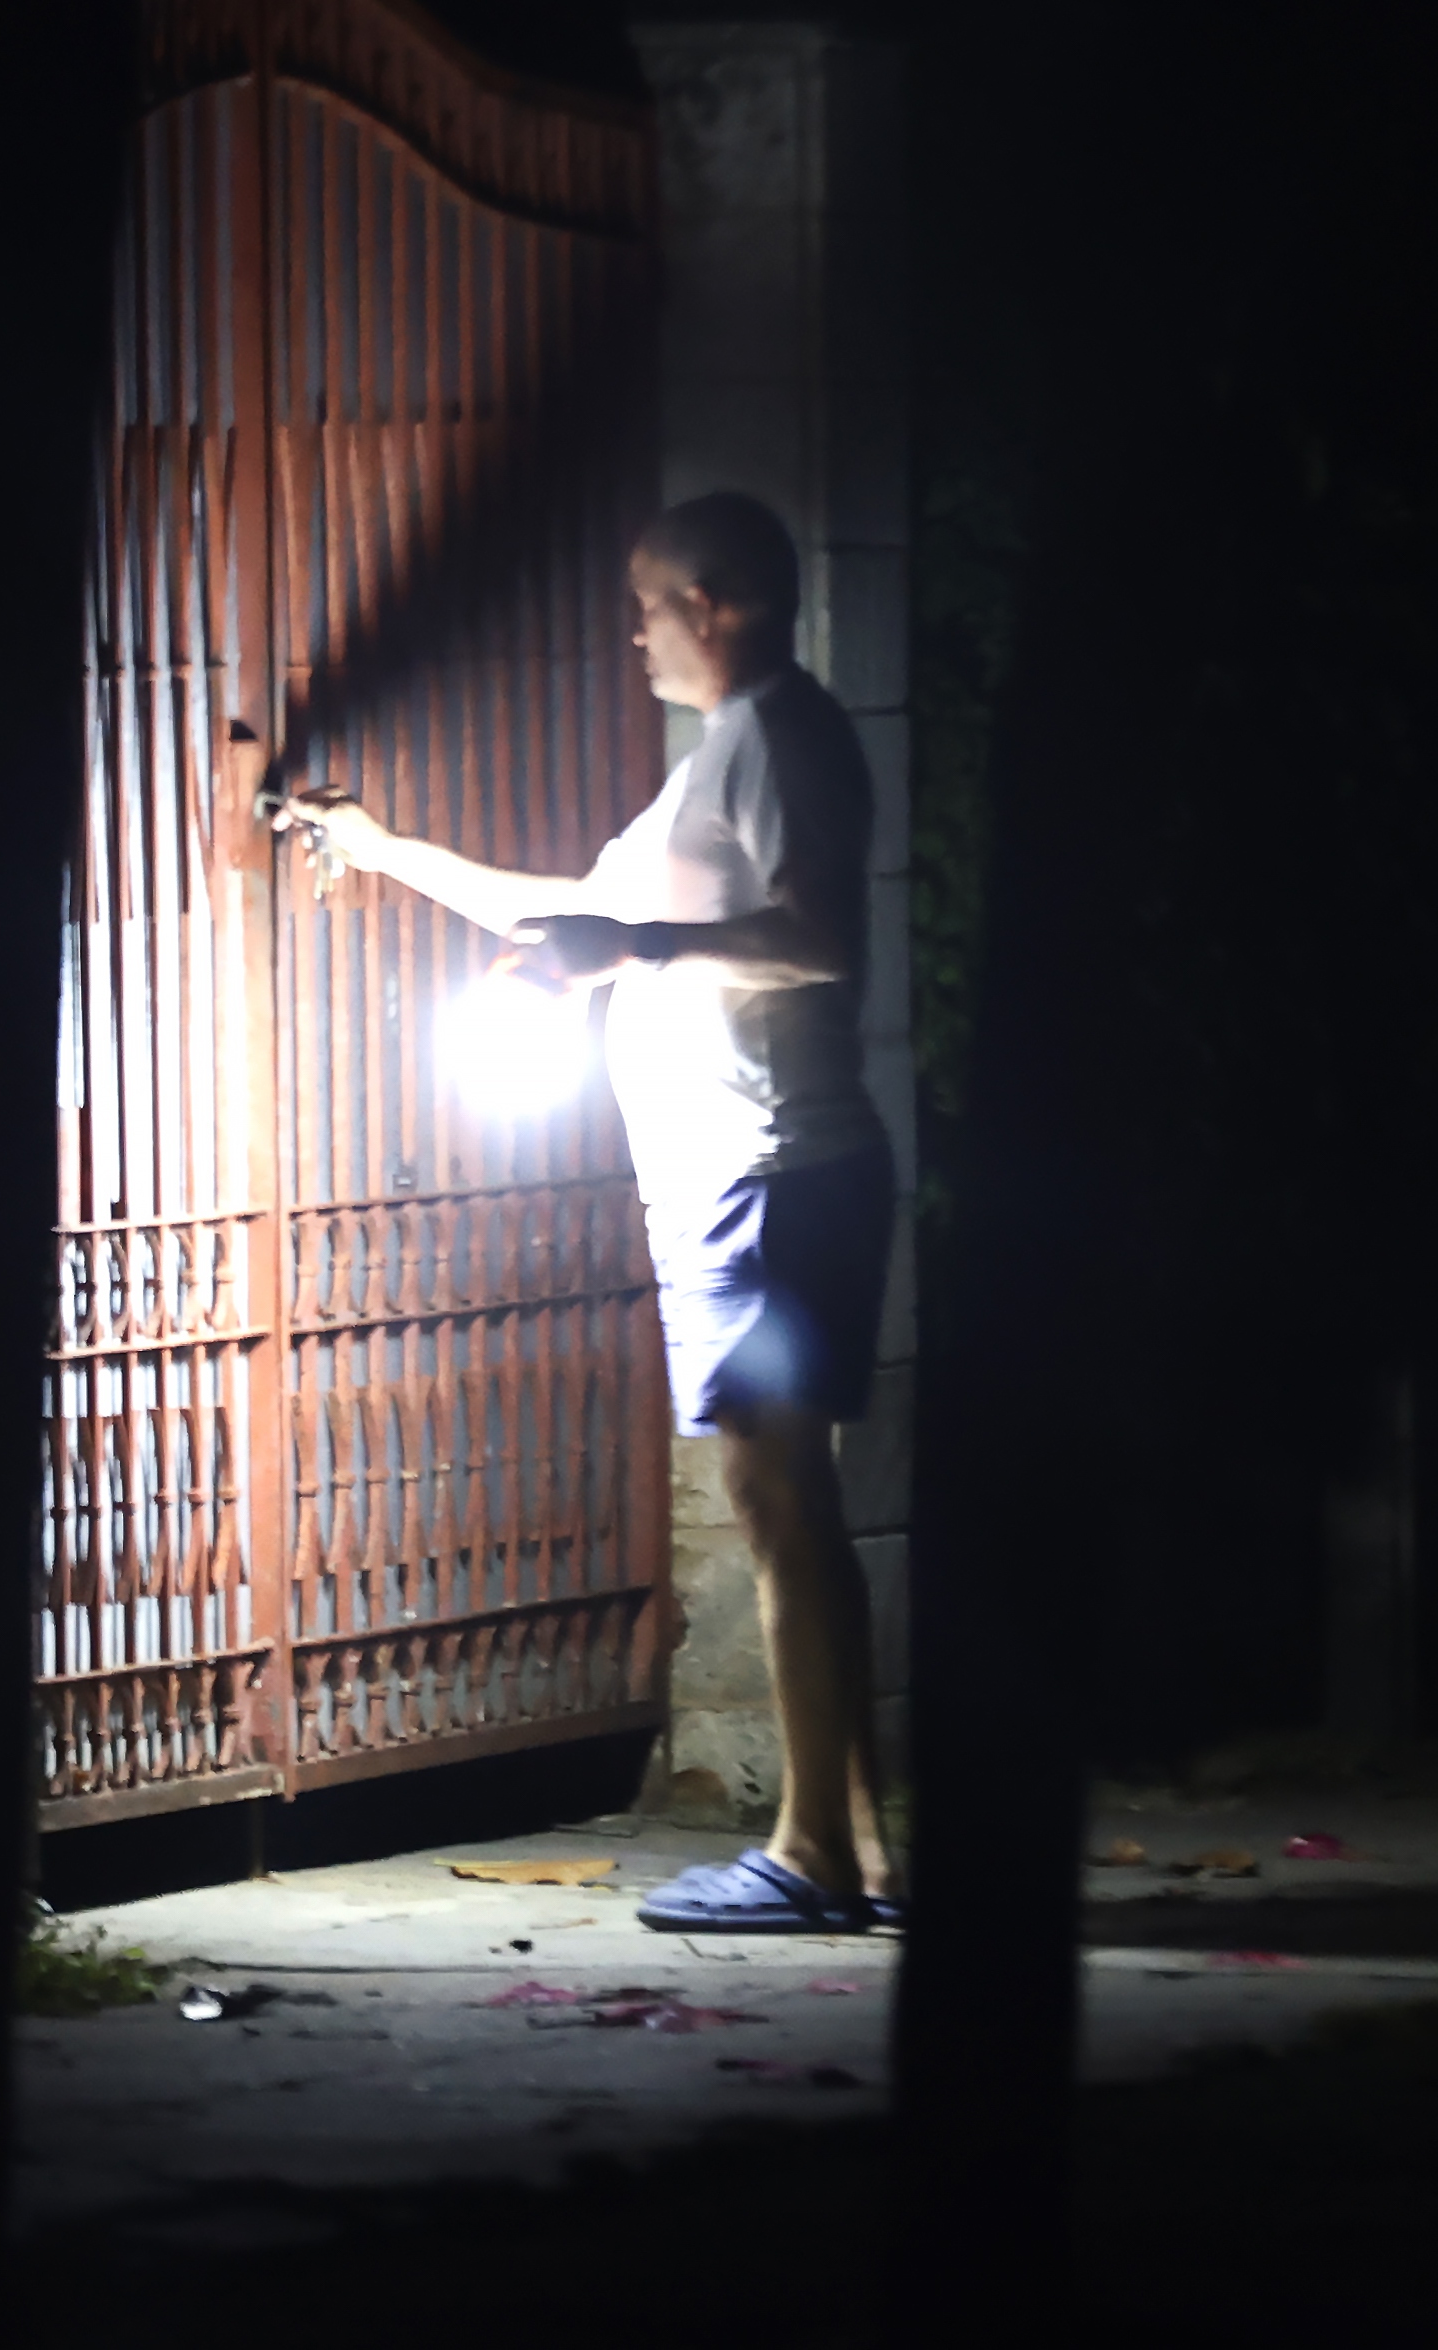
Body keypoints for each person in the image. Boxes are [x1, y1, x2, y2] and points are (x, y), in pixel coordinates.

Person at [285, 493, 900, 1934]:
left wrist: (631, 944)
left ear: (717, 601)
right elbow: (568, 911)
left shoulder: (781, 736)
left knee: (780, 1507)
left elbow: (817, 939)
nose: (630, 632)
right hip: (742, 1177)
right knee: (785, 1508)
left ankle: (818, 1855)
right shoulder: (727, 759)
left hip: (766, 1170)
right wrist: (383, 849)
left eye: (646, 604)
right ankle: (852, 1855)